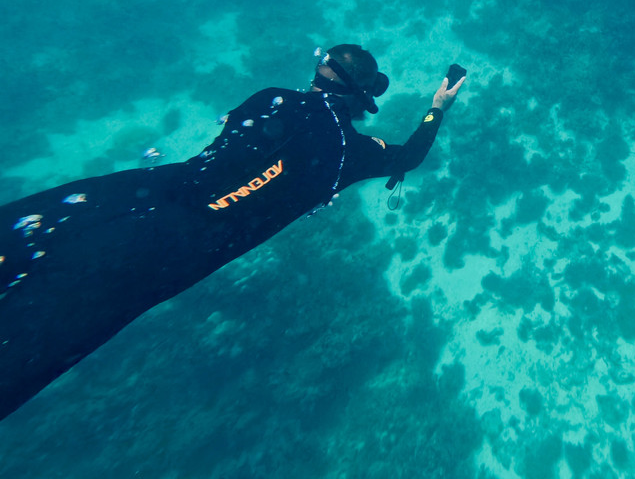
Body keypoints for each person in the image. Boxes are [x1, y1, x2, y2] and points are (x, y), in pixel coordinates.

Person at [0, 43, 464, 422]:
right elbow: (408, 158)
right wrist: (437, 107)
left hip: (139, 193)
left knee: (27, 230)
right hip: (172, 252)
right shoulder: (350, 152)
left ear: (319, 73)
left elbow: (235, 144)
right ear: (363, 96)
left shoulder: (269, 98)